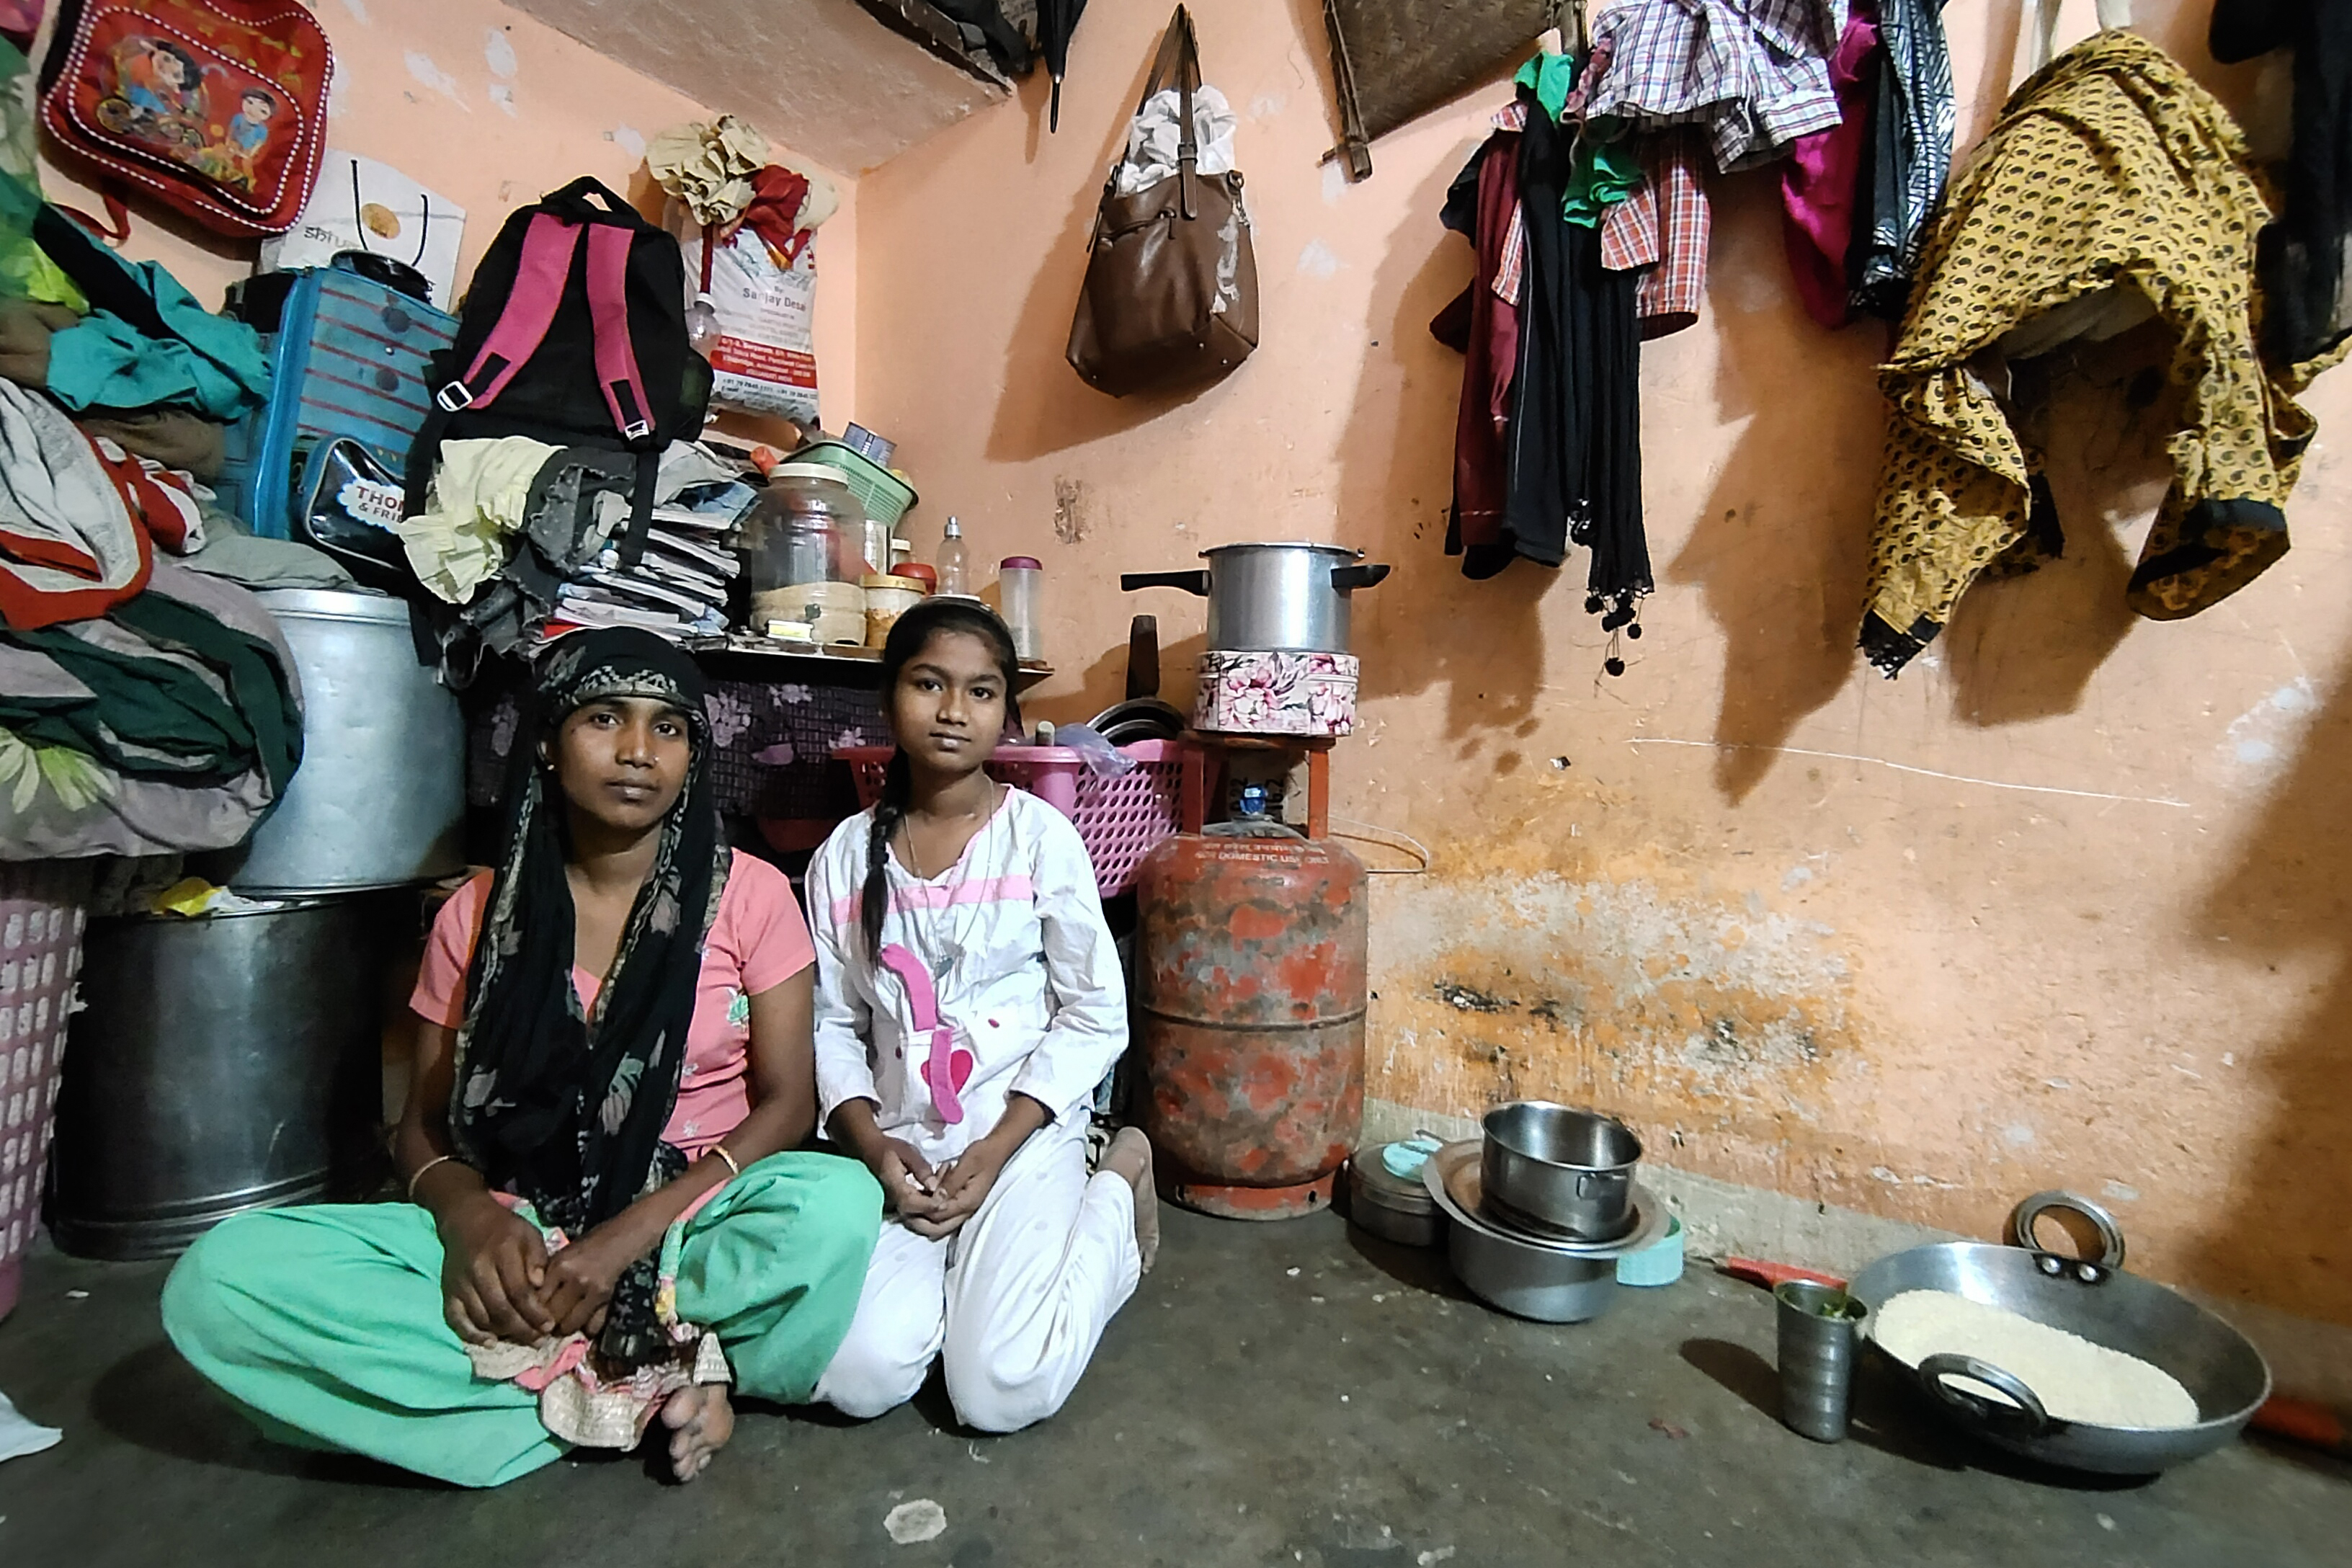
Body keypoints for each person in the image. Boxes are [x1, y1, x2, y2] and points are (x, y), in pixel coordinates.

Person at [163, 628, 882, 1487]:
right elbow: (422, 1128)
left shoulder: (750, 894)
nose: (636, 752)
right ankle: (651, 1383)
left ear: (693, 753)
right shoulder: (474, 916)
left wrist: (628, 1236)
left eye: (669, 728)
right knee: (221, 1283)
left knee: (833, 1203)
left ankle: (558, 1375)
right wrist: (472, 1222)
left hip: (692, 1219)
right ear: (547, 741)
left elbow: (789, 1105)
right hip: (520, 1238)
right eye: (604, 718)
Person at [807, 598, 1157, 1433]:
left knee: (998, 1387)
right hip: (904, 1158)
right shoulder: (842, 858)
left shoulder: (1040, 840)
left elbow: (1094, 1013)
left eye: (982, 690)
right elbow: (830, 1022)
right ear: (891, 697)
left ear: (1008, 710)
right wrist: (872, 1144)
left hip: (1020, 1135)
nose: (955, 710)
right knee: (857, 1374)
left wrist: (999, 1148)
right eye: (930, 684)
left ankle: (1113, 1188)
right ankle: (971, 1277)